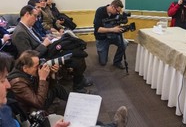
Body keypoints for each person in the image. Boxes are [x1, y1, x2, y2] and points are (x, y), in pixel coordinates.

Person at [0, 52, 128, 127]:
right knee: (76, 122)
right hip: (35, 111)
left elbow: (49, 87)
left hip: (35, 108)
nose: (8, 85)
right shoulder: (17, 82)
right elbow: (38, 102)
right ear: (25, 68)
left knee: (58, 89)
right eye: (2, 80)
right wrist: (43, 79)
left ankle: (80, 104)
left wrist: (51, 75)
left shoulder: (28, 75)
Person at [11, 5, 91, 93]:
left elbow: (38, 40)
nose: (36, 19)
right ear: (27, 14)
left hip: (47, 51)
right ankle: (78, 85)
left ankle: (79, 78)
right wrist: (44, 45)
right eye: (35, 15)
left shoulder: (28, 27)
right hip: (42, 58)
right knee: (76, 59)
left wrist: (49, 38)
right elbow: (28, 57)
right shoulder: (20, 33)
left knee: (78, 52)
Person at [93, 0, 127, 69]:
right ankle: (100, 51)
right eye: (117, 11)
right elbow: (98, 29)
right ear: (112, 7)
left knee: (124, 43)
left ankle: (117, 61)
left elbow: (121, 22)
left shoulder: (116, 14)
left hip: (113, 36)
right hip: (102, 38)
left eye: (119, 11)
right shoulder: (100, 11)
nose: (118, 13)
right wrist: (113, 29)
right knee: (103, 62)